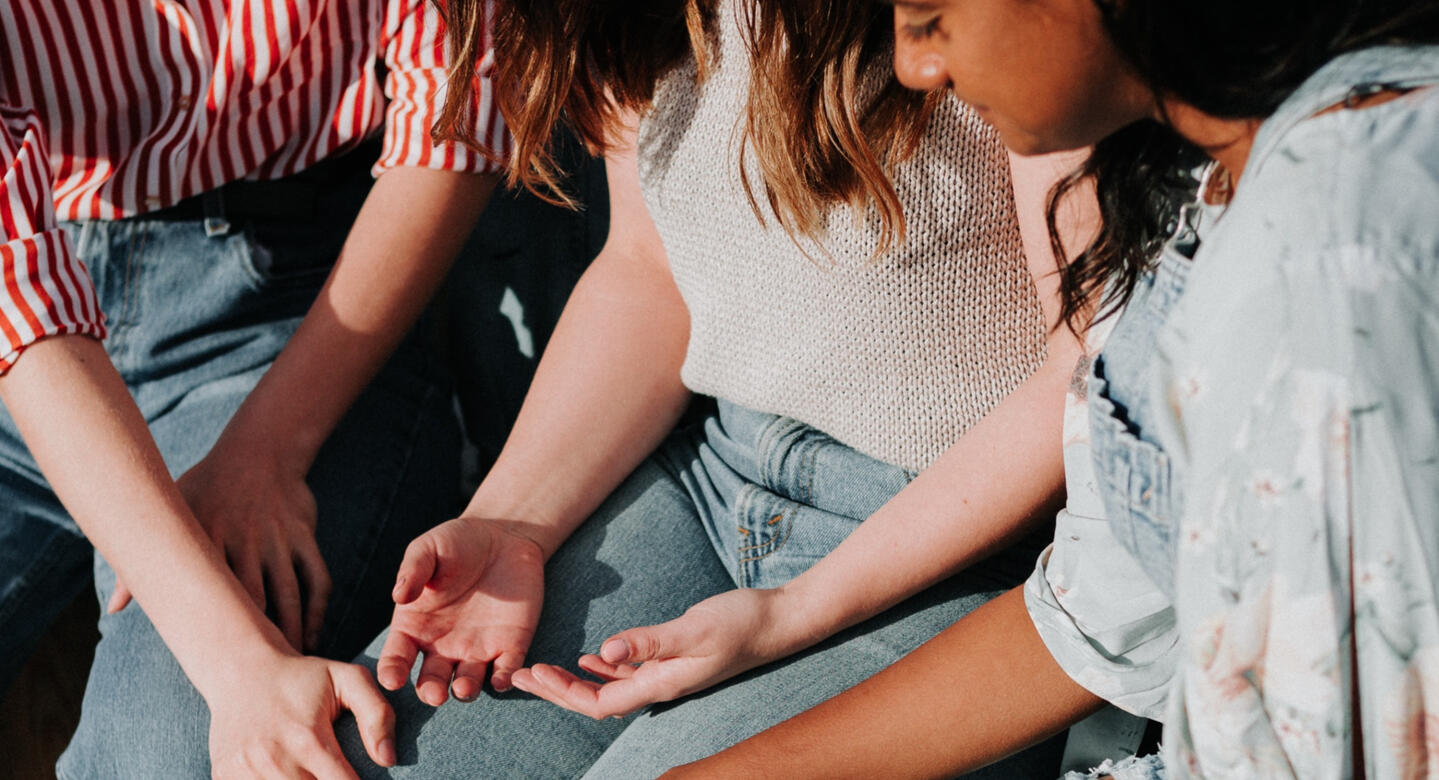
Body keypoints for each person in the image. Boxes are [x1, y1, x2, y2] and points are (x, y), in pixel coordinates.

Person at [663, 0, 1439, 777]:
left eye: (931, 13)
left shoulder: (1339, 254)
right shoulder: (1188, 185)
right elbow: (1098, 611)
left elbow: (1352, 740)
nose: (913, 66)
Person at [323, 0, 1094, 776]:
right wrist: (511, 523)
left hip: (960, 545)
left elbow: (1084, 371)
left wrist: (789, 615)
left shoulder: (977, 25)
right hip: (717, 475)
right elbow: (648, 271)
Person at [0, 1, 509, 776]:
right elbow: (20, 297)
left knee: (164, 752)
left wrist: (267, 450)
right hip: (26, 324)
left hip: (288, 311)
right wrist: (234, 658)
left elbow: (457, 112)